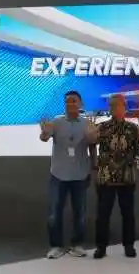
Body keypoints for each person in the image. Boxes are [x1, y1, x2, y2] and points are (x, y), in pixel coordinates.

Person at [39, 90, 98, 259]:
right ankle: (55, 246)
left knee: (80, 213)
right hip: (58, 175)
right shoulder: (56, 122)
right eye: (67, 101)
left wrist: (94, 162)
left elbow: (93, 144)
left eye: (74, 101)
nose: (70, 103)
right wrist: (44, 133)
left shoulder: (87, 123)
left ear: (80, 104)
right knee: (54, 213)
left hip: (80, 175)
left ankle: (76, 245)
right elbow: (44, 137)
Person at [93, 94, 139, 259]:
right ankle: (101, 247)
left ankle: (129, 245)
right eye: (111, 105)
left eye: (117, 105)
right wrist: (90, 138)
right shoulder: (101, 127)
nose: (114, 108)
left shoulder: (133, 128)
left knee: (128, 214)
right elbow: (91, 143)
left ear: (124, 107)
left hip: (126, 177)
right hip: (106, 177)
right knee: (103, 214)